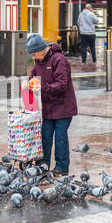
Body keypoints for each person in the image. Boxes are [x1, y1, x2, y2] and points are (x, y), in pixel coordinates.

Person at [22, 34, 78, 176]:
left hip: (64, 107)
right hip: (48, 106)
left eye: (34, 54)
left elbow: (62, 84)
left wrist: (43, 87)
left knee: (60, 138)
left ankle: (62, 167)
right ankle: (43, 165)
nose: (33, 58)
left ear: (42, 49)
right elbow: (33, 77)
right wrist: (27, 83)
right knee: (45, 136)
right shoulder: (38, 62)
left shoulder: (59, 60)